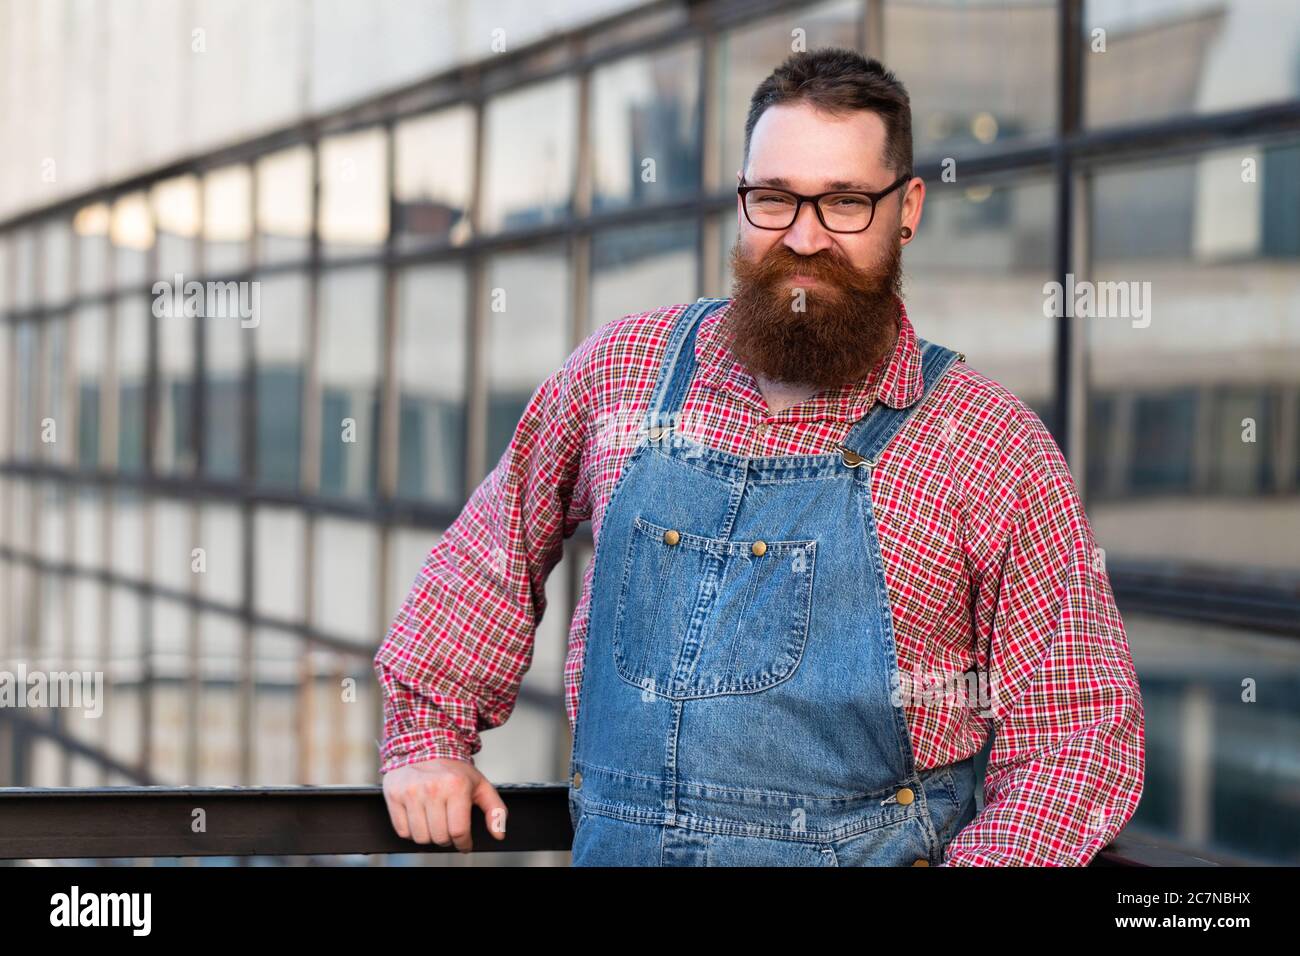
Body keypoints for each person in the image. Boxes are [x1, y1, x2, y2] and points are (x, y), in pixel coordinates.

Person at [373, 47, 1145, 866]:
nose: (803, 238)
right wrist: (427, 734)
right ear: (739, 199)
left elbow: (1081, 738)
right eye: (773, 198)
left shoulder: (988, 444)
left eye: (845, 202)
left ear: (907, 207)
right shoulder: (622, 371)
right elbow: (487, 558)